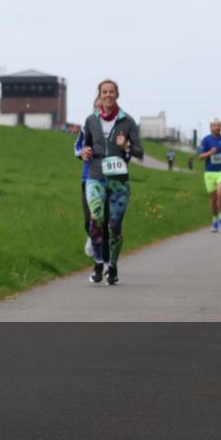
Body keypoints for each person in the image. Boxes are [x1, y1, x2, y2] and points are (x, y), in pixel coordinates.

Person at [80, 80, 143, 286]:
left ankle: (113, 267)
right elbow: (83, 146)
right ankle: (99, 264)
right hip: (96, 177)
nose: (108, 95)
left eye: (111, 92)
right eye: (104, 92)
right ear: (100, 95)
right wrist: (84, 152)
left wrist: (126, 146)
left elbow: (139, 152)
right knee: (96, 218)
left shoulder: (128, 121)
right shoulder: (91, 120)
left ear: (117, 95)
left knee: (115, 225)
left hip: (119, 181)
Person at [75, 99, 109, 263]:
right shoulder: (86, 126)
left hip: (109, 179)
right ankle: (94, 238)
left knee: (104, 218)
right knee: (89, 219)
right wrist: (82, 152)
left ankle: (104, 259)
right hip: (88, 177)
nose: (99, 109)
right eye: (96, 106)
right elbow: (77, 147)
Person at [198, 119, 221, 232]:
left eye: (219, 125)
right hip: (209, 173)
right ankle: (214, 221)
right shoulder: (206, 140)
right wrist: (210, 153)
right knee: (213, 199)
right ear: (211, 128)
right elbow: (200, 157)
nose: (217, 127)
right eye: (214, 126)